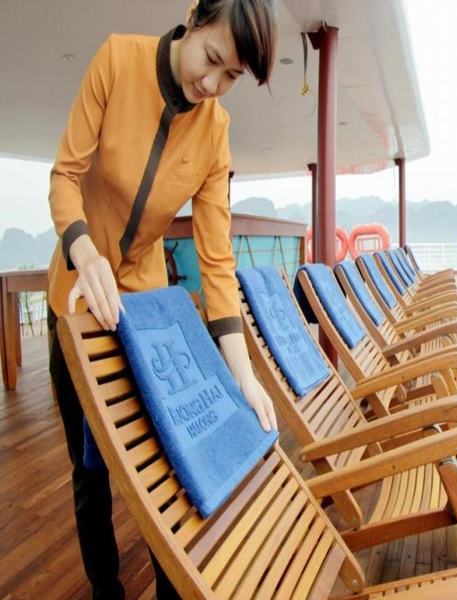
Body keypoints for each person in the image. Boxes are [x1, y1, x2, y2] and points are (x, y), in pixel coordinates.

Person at [46, 1, 278, 597]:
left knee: (165, 466)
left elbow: (217, 259)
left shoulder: (215, 132)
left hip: (144, 312)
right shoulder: (117, 60)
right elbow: (64, 177)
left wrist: (244, 375)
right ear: (194, 17)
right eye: (212, 58)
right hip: (76, 299)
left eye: (231, 76)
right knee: (89, 470)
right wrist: (84, 252)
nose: (212, 84)